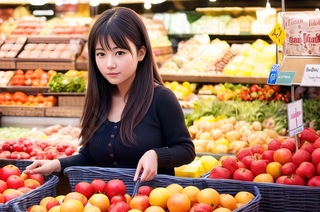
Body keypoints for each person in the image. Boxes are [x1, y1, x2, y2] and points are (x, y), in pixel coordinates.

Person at [24, 7, 195, 182]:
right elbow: (90, 156)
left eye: (119, 53)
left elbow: (186, 150)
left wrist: (156, 155)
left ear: (141, 53)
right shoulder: (101, 98)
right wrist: (57, 164)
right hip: (105, 203)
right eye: (101, 54)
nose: (109, 64)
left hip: (151, 205)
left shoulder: (161, 98)